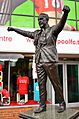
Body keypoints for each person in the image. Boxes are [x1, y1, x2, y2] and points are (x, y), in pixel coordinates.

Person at [7, 5, 70, 113]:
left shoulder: (53, 30)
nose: (39, 21)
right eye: (38, 20)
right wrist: (14, 29)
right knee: (41, 85)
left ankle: (62, 103)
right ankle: (42, 105)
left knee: (56, 84)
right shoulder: (37, 33)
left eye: (41, 19)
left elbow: (61, 24)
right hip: (39, 62)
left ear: (47, 20)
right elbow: (25, 33)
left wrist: (65, 13)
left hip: (50, 61)